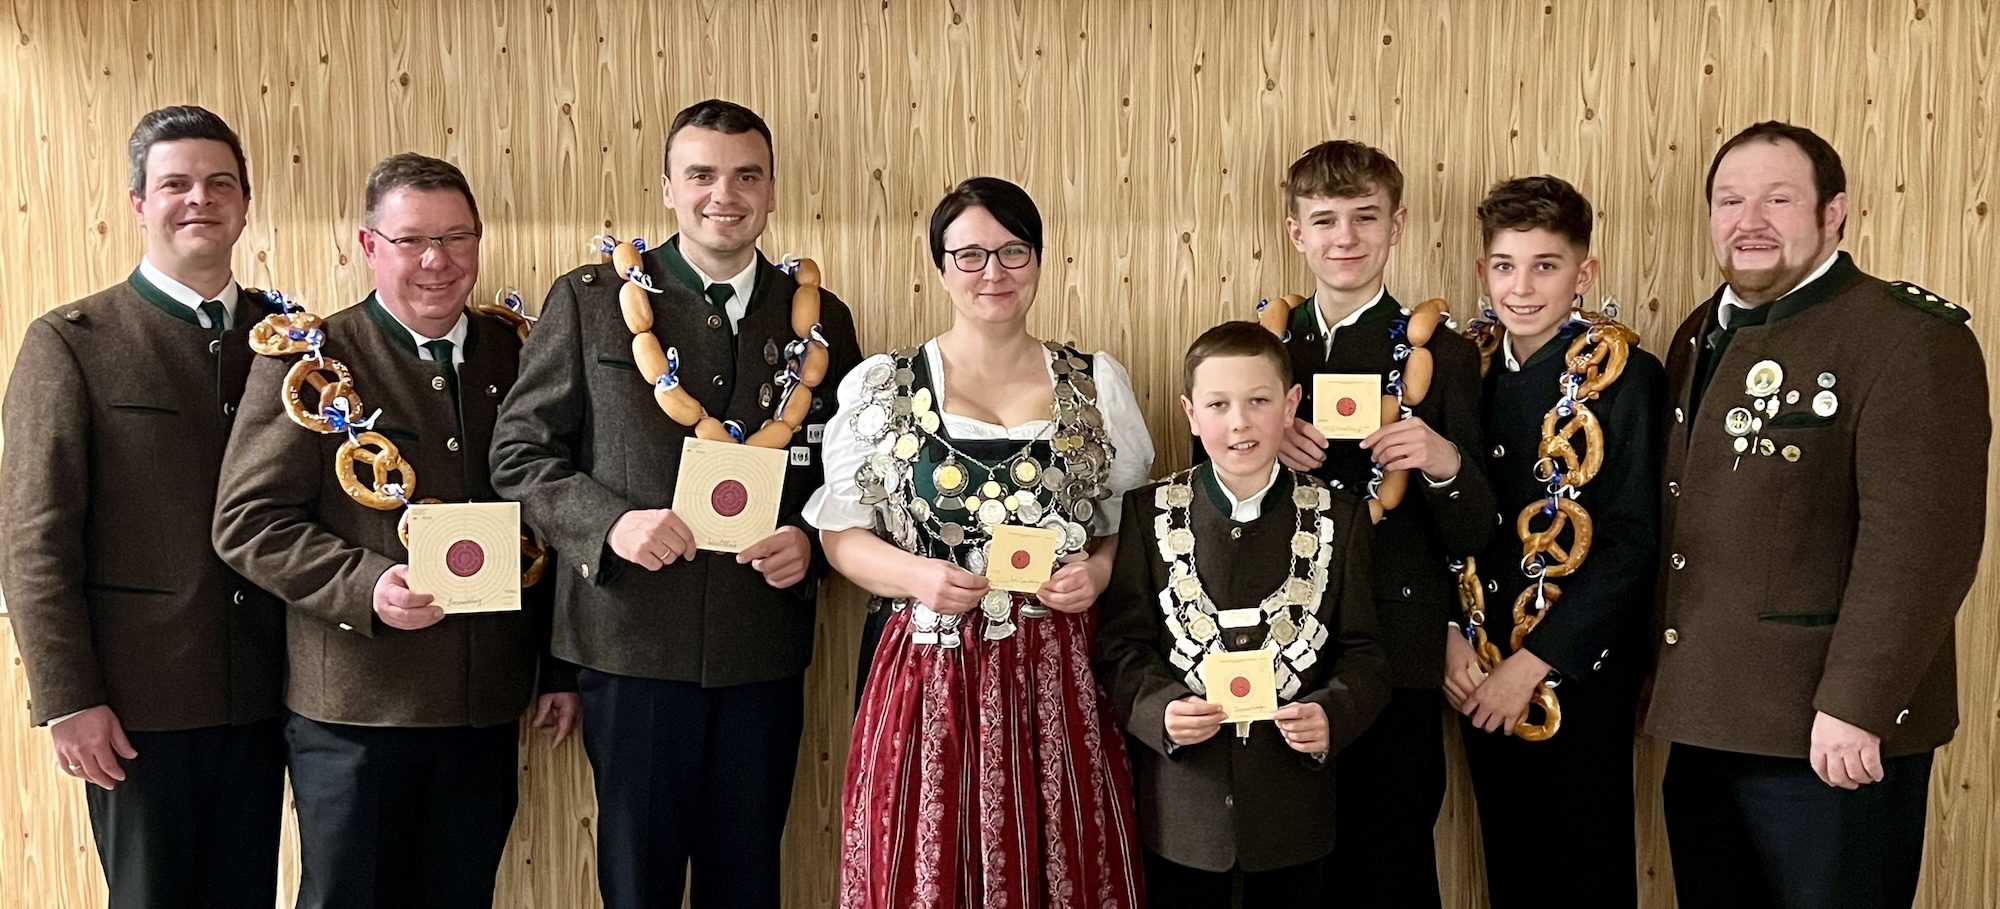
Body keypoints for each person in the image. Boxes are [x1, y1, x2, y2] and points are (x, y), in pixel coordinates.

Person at [489, 99, 863, 909]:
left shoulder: (820, 319)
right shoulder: (592, 299)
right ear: (667, 188)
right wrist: (610, 523)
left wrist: (809, 540)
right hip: (630, 645)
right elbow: (519, 453)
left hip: (760, 644)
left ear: (771, 190)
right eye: (701, 174)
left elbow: (847, 472)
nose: (724, 194)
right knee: (639, 882)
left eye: (746, 175)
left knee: (748, 878)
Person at [213, 153, 576, 909]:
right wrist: (366, 583)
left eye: (455, 237)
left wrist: (558, 670)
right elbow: (247, 522)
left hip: (484, 705)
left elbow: (551, 508)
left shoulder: (518, 352)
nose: (437, 260)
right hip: (356, 714)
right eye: (411, 240)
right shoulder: (314, 362)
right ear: (369, 245)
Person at [1649, 121, 1988, 909]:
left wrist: (1857, 706)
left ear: (1834, 212)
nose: (1749, 221)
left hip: (1829, 738)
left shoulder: (1905, 337)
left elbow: (1920, 548)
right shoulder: (1700, 331)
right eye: (1729, 200)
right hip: (1704, 721)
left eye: (1778, 199)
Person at [810, 176, 1152, 908]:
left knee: (1062, 855)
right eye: (969, 255)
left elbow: (1127, 527)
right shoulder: (884, 385)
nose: (992, 272)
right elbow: (841, 537)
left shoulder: (1094, 383)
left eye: (1012, 251)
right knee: (932, 860)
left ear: (1039, 260)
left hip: (1058, 670)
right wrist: (916, 576)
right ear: (941, 267)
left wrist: (1097, 571)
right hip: (932, 670)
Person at [0, 105, 288, 909]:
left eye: (220, 183)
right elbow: (32, 539)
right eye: (176, 184)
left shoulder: (288, 339)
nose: (200, 199)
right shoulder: (73, 341)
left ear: (244, 202)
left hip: (269, 692)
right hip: (136, 706)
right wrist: (69, 697)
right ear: (138, 203)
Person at [1259, 140, 1495, 908]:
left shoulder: (1445, 356)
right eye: (1325, 219)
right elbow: (1206, 505)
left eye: (1365, 217)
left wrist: (1441, 461)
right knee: (1289, 867)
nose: (1345, 238)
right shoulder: (1258, 351)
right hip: (1277, 643)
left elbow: (1474, 532)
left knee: (1389, 864)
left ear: (1397, 225)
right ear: (1296, 232)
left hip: (1398, 651)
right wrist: (1258, 452)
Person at [1093, 320, 1390, 908]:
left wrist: (1331, 715)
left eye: (1259, 401)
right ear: (1190, 413)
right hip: (1184, 813)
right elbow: (1121, 647)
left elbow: (1365, 655)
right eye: (1218, 404)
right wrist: (1161, 711)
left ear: (1291, 405)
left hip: (1293, 812)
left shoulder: (1342, 517)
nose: (1239, 423)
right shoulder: (1148, 514)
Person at [1445, 175, 1663, 909]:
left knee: (1585, 869)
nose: (1522, 287)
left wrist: (1534, 663)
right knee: (1511, 866)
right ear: (1484, 272)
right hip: (1477, 665)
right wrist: (1450, 636)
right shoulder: (1460, 366)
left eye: (1546, 265)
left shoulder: (1627, 375)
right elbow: (1435, 518)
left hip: (1578, 670)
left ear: (1584, 273)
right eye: (1506, 266)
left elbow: (1631, 540)